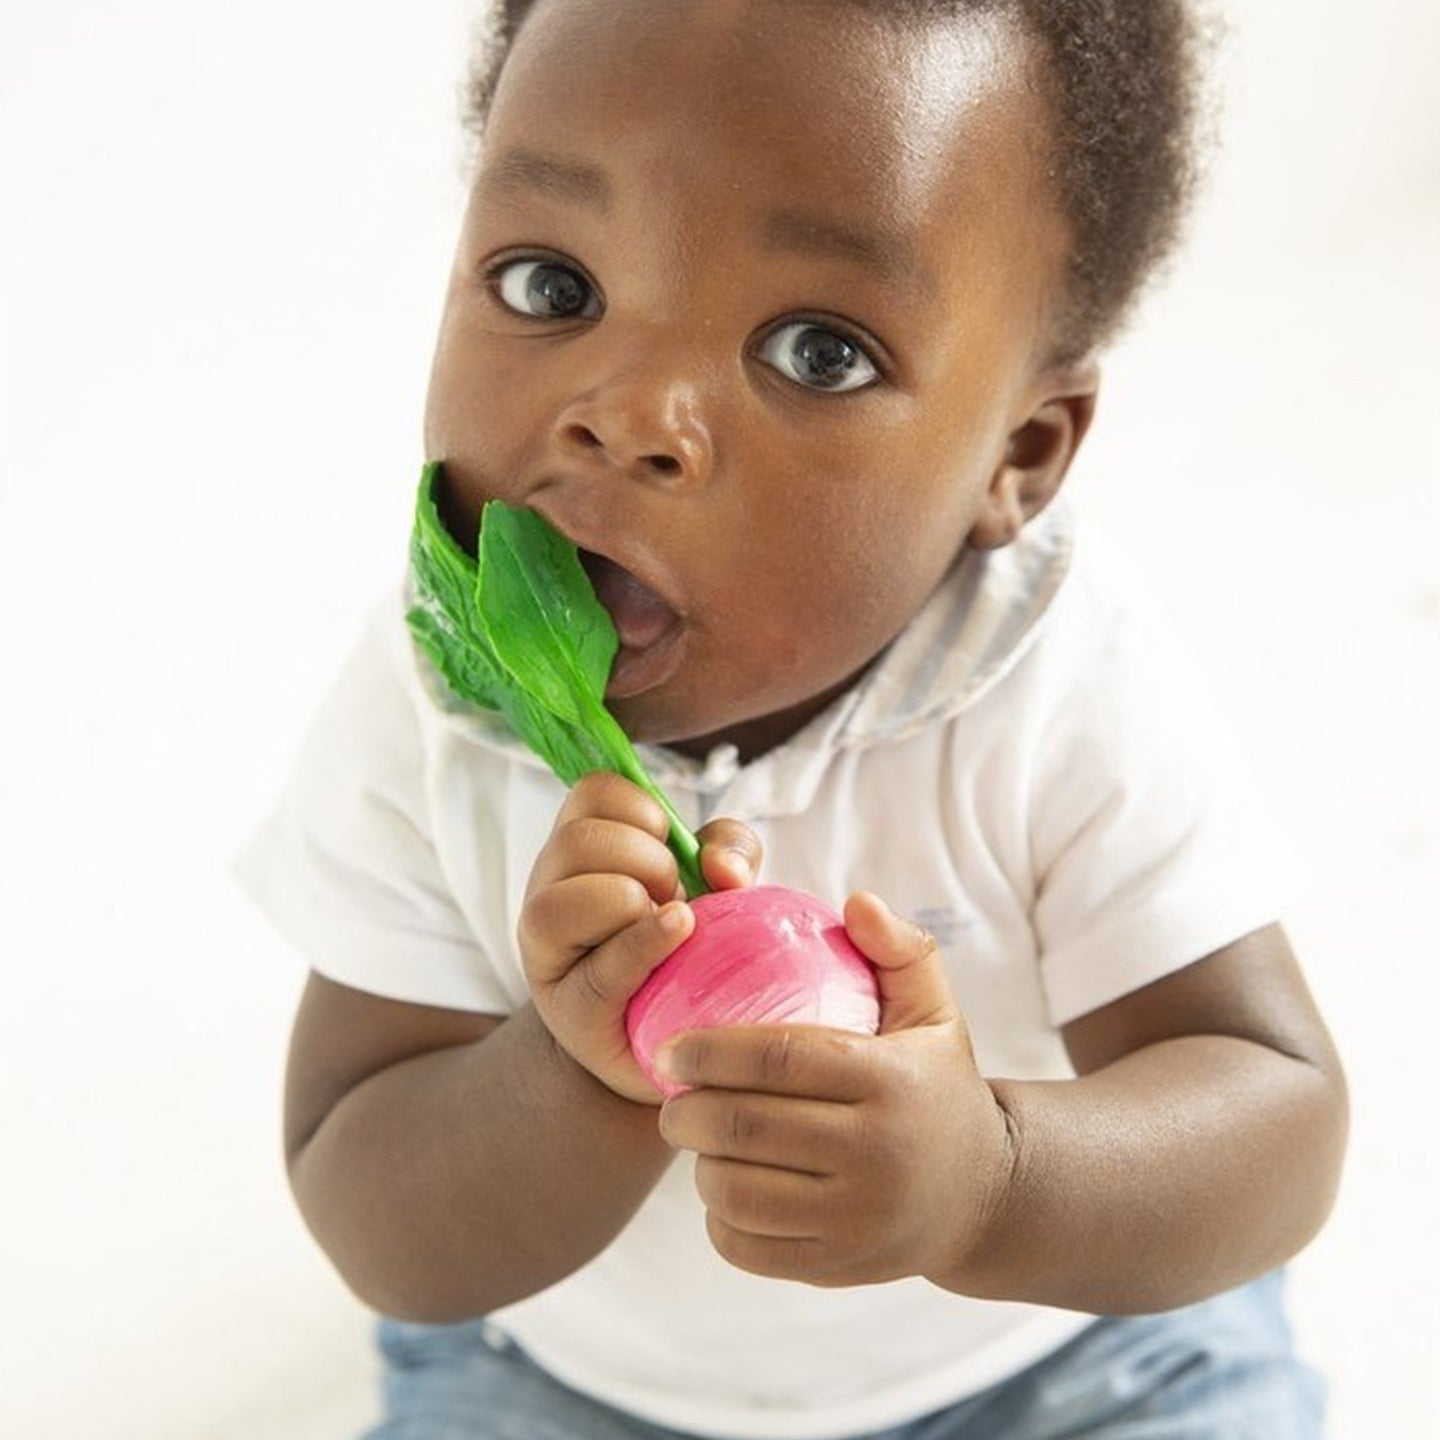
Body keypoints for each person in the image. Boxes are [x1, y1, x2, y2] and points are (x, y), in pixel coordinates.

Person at [238, 1, 1349, 1435]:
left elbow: (1280, 1122)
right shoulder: (439, 706)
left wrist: (992, 1177)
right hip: (580, 1387)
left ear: (1017, 454)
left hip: (1048, 1361)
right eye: (547, 285)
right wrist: (574, 1071)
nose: (625, 411)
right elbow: (377, 1225)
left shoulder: (1053, 681)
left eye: (818, 350)